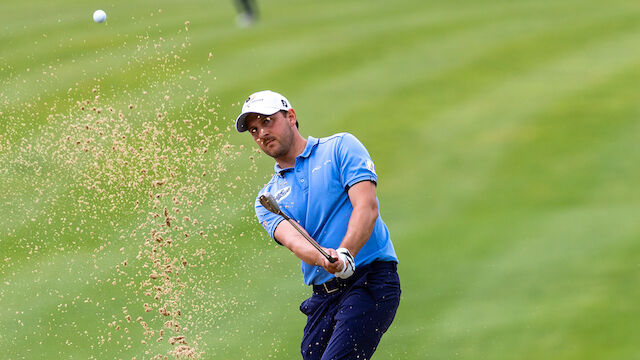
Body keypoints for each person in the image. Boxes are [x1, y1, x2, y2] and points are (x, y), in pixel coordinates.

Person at [235, 90, 401, 360]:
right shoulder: (267, 199)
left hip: (369, 281)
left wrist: (346, 252)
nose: (261, 134)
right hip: (323, 298)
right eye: (253, 130)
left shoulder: (340, 148)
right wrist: (326, 258)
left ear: (290, 117)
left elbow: (367, 208)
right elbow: (295, 241)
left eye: (267, 122)